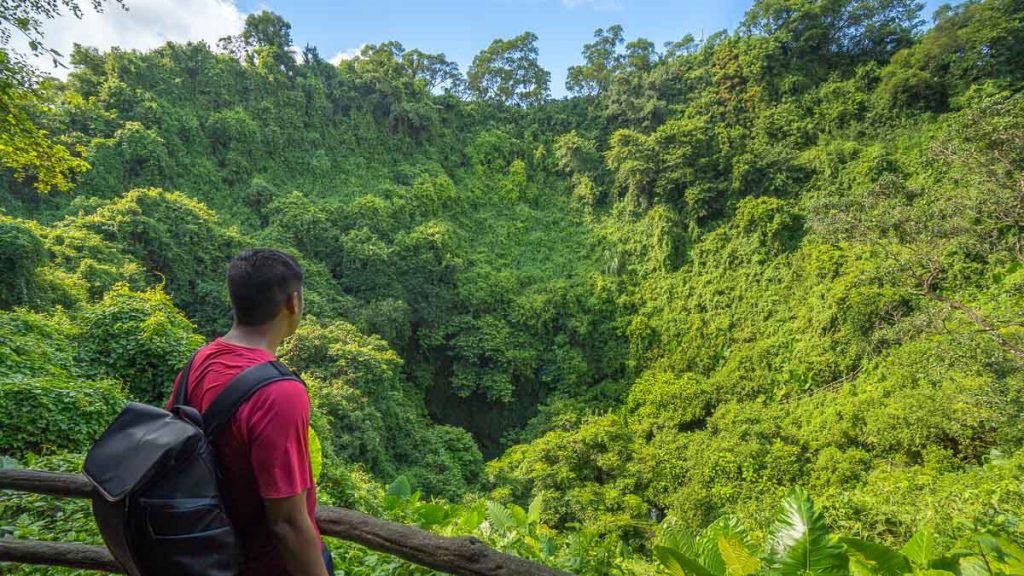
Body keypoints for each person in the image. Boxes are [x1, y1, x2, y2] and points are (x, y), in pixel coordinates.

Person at [166, 248, 333, 576]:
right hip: (259, 565)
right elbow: (287, 523)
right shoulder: (280, 393)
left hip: (208, 554)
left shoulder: (198, 362)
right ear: (293, 303)